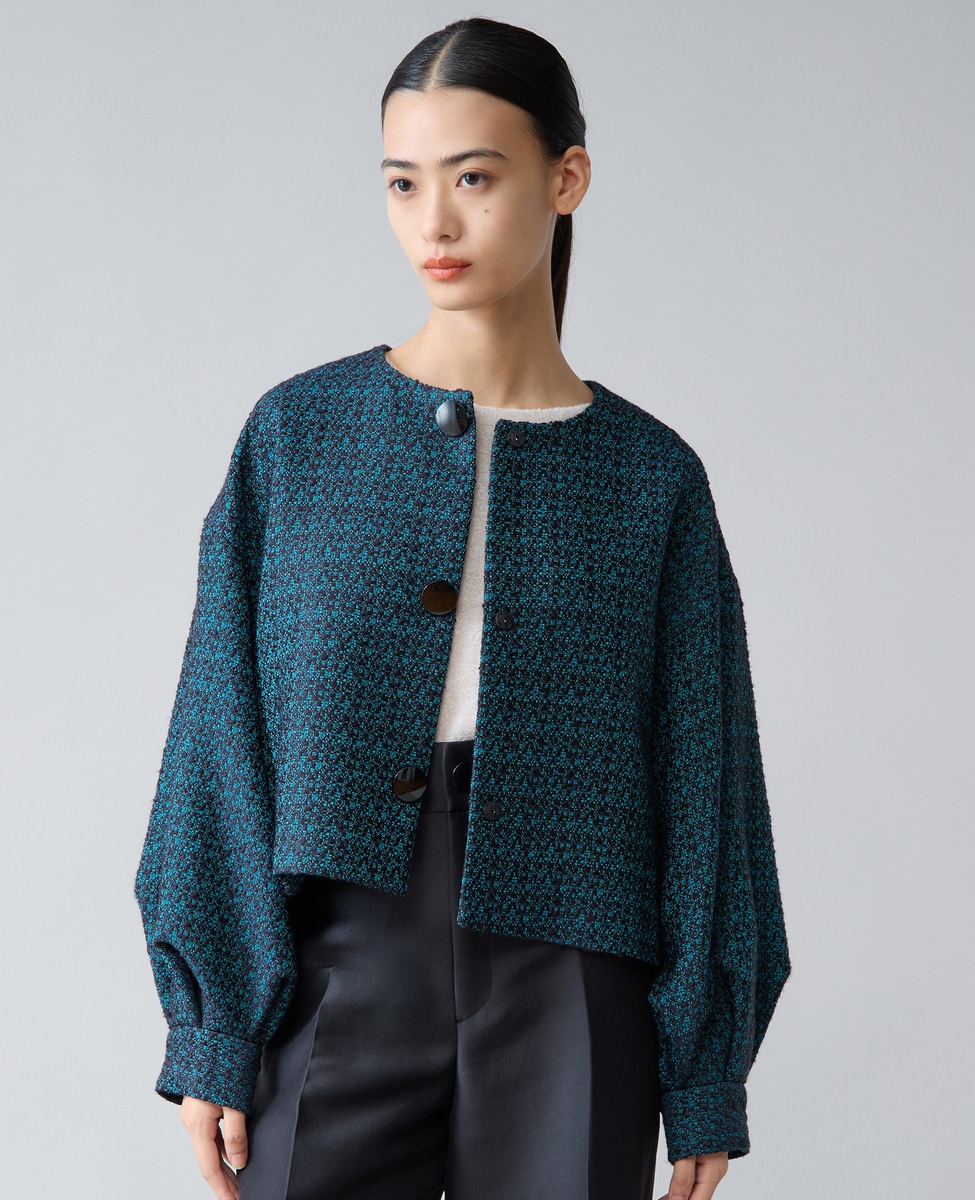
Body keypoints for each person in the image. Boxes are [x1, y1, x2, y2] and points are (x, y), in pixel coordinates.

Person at [134, 16, 791, 1200]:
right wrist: (215, 1029)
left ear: (566, 178)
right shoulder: (300, 438)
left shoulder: (651, 480)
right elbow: (218, 738)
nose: (433, 223)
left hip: (576, 964)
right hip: (335, 959)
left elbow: (708, 784)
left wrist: (705, 1069)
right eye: (404, 183)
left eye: (474, 178)